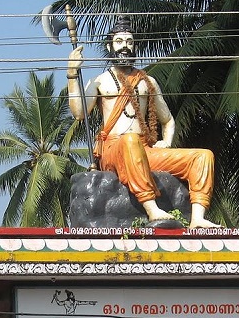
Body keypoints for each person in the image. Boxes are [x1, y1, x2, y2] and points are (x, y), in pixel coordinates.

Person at [68, 16, 219, 229]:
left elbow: (168, 120)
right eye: (119, 42)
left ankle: (197, 218)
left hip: (143, 149)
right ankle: (152, 209)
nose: (125, 46)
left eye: (129, 42)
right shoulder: (101, 81)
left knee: (203, 156)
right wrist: (72, 74)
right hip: (114, 149)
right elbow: (79, 113)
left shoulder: (147, 82)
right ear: (110, 47)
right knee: (130, 140)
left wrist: (166, 142)